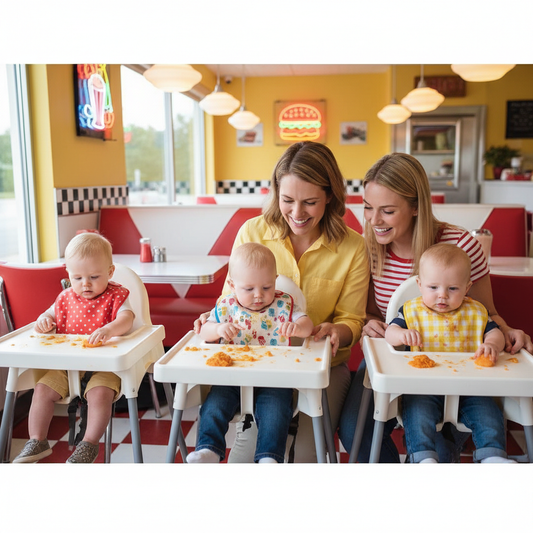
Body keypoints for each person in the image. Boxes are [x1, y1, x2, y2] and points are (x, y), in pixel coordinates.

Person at [337, 152, 533, 463]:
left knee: (440, 451)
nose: (374, 220)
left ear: (416, 207)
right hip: (397, 359)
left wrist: (507, 332)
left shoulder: (461, 246)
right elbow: (372, 313)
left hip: (459, 363)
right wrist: (369, 323)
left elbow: (484, 314)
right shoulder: (368, 249)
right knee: (353, 429)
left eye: (387, 211)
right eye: (368, 209)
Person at [194, 141, 369, 462]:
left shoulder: (353, 246)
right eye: (287, 200)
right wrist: (215, 320)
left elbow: (352, 321)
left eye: (310, 202)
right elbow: (230, 297)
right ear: (276, 193)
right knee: (247, 454)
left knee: (305, 454)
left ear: (330, 196)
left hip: (322, 367)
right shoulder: (253, 232)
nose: (297, 213)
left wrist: (335, 331)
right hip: (255, 366)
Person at [385, 243, 514, 463]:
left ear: (467, 287)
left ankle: (493, 457)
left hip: (470, 386)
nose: (442, 295)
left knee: (489, 414)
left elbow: (495, 333)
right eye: (433, 287)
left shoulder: (475, 311)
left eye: (452, 289)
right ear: (420, 284)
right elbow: (390, 333)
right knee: (417, 414)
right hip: (424, 386)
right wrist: (401, 335)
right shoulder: (412, 310)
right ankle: (424, 458)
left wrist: (492, 344)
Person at [13, 233, 134, 463]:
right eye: (77, 277)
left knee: (100, 395)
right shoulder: (65, 297)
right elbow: (48, 315)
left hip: (103, 368)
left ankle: (88, 444)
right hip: (66, 367)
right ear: (68, 275)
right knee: (41, 390)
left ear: (109, 272)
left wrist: (109, 329)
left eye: (93, 276)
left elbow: (127, 318)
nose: (85, 283)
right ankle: (37, 440)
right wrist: (43, 321)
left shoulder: (116, 295)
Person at [188, 243, 313, 463]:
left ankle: (269, 457)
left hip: (274, 376)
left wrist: (298, 328)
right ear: (232, 285)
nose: (259, 296)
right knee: (213, 406)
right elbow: (204, 333)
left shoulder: (283, 304)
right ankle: (209, 449)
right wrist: (217, 329)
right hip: (232, 375)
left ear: (275, 279)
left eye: (266, 287)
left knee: (276, 412)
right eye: (249, 289)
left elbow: (306, 323)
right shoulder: (226, 307)